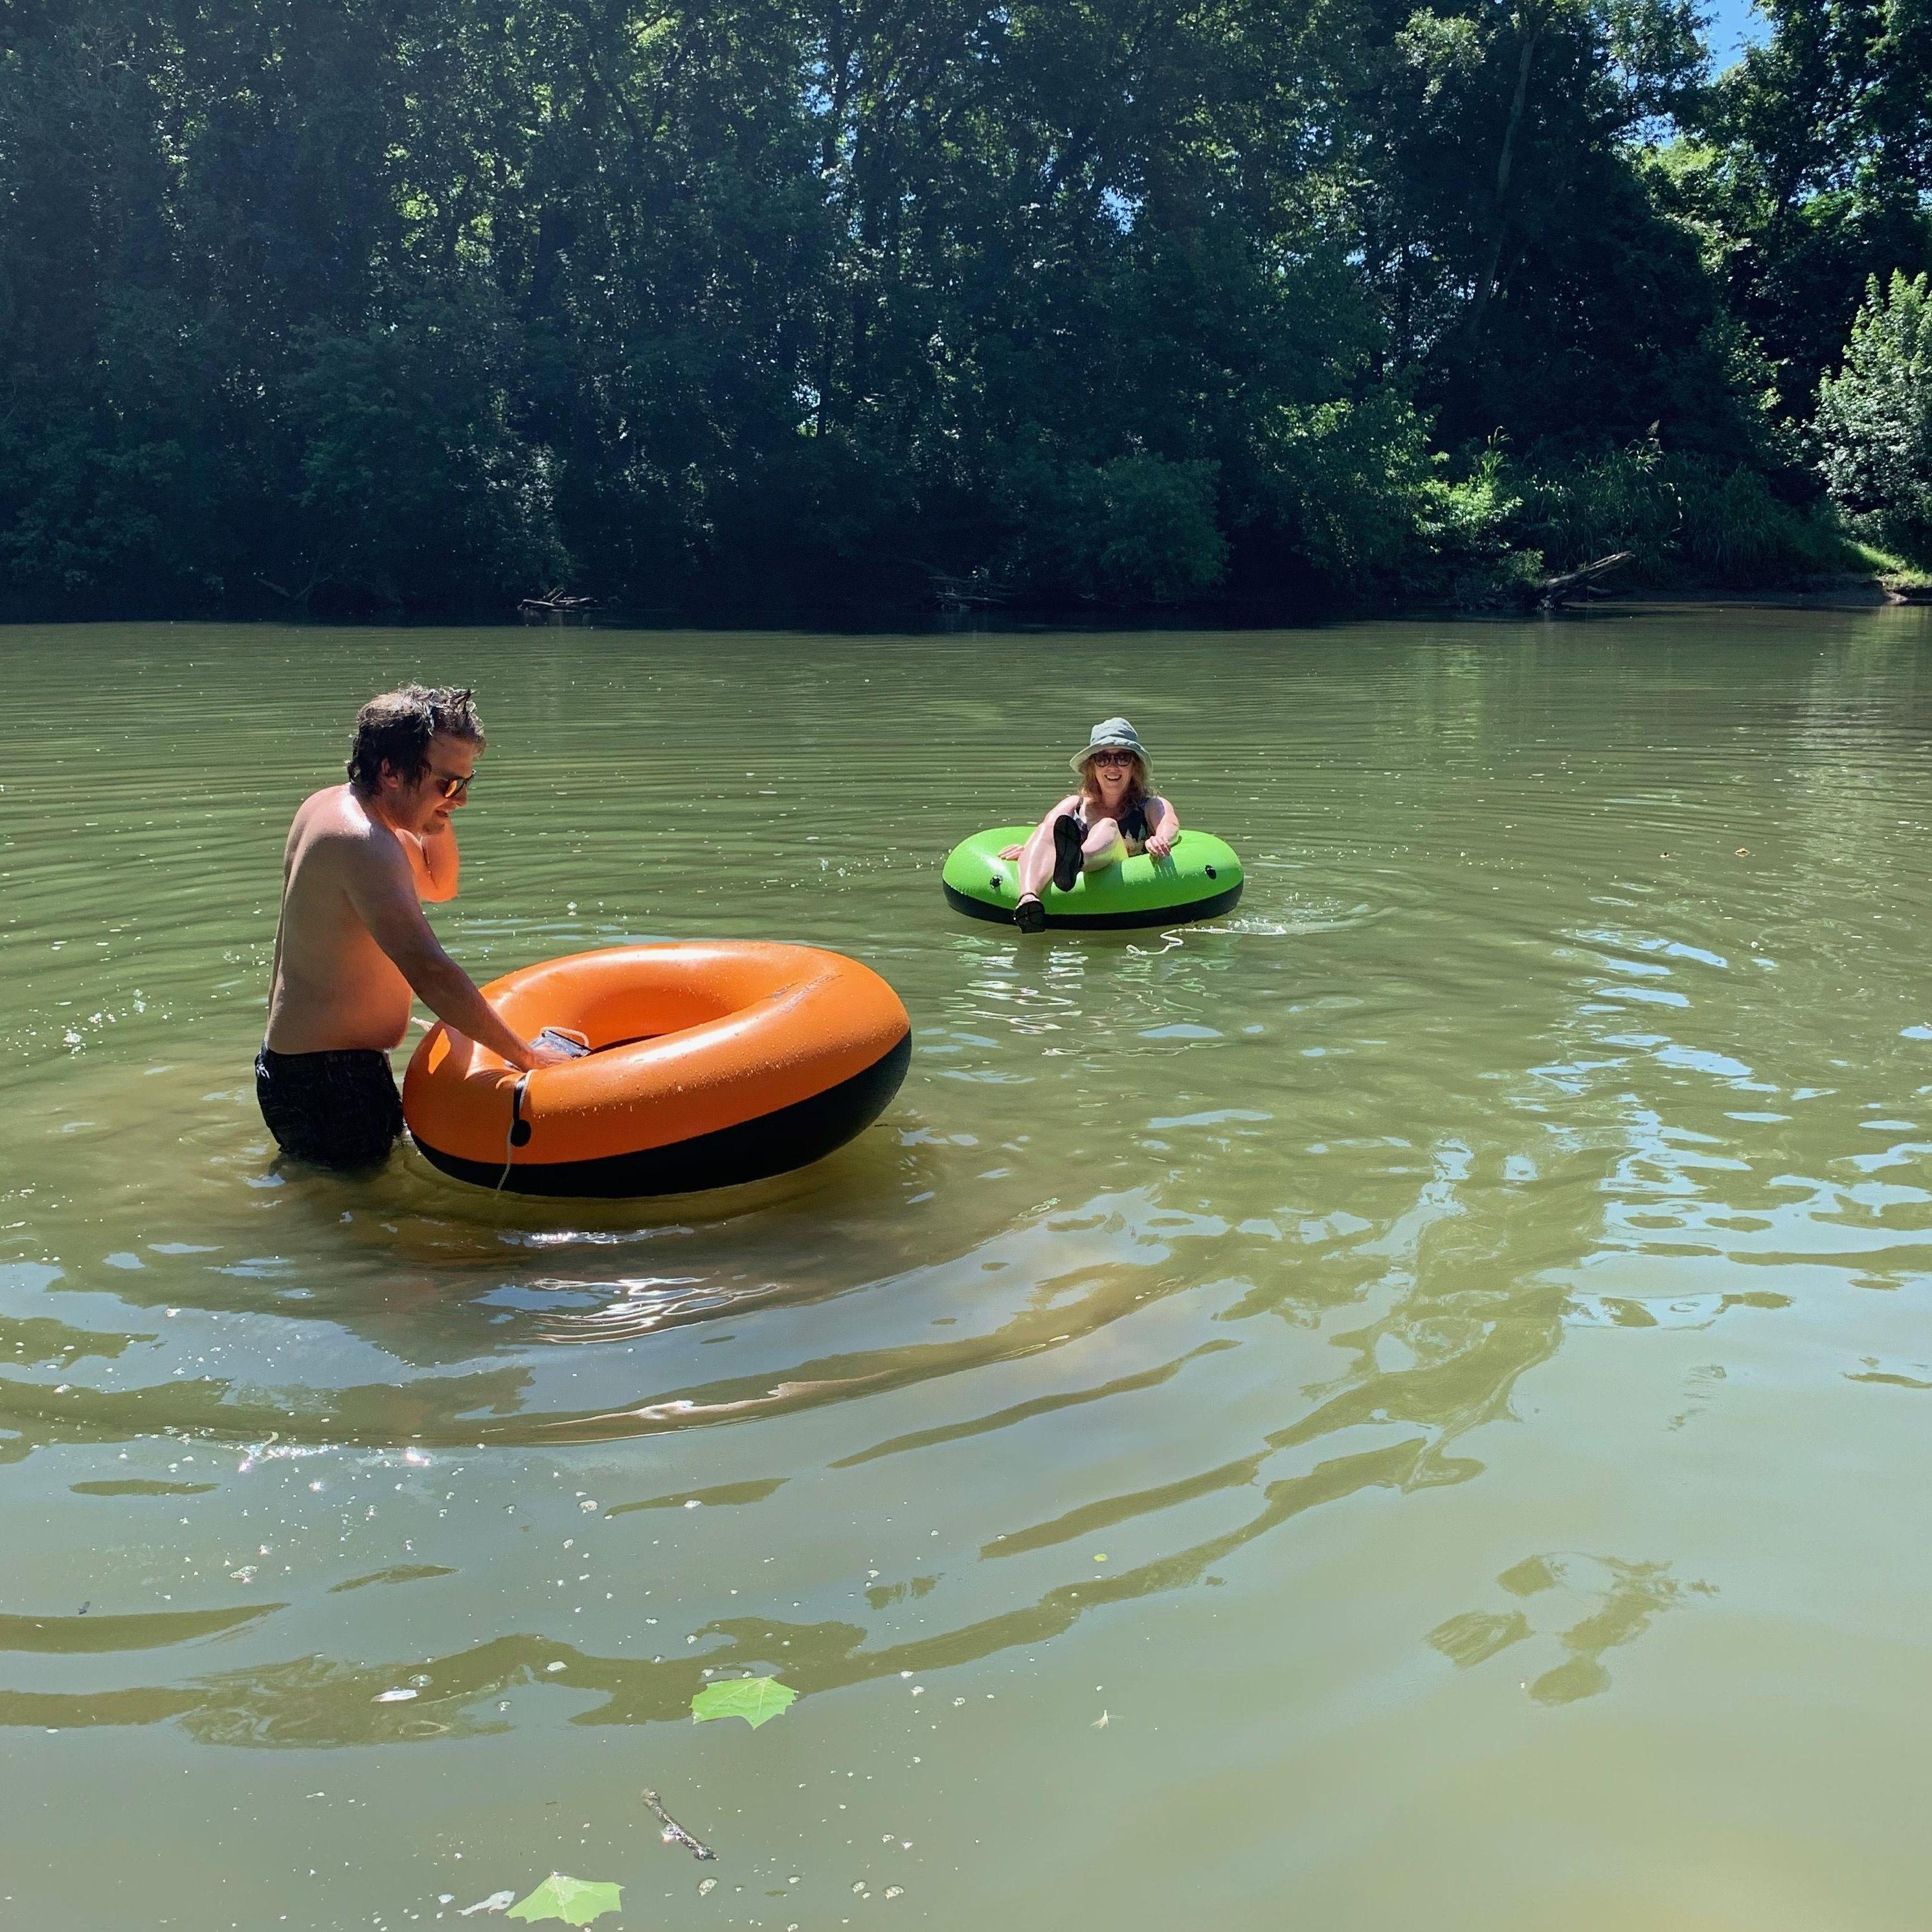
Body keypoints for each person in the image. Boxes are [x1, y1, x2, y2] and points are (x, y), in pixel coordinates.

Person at [257, 684, 572, 1171]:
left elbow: (440, 885)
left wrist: (436, 809)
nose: (462, 800)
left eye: (467, 783)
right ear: (390, 772)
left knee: (335, 1199)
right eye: (448, 784)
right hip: (328, 1081)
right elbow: (429, 970)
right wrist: (526, 1057)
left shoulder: (341, 809)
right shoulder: (363, 842)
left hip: (313, 1068)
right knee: (362, 1232)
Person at [1004, 717, 1178, 932]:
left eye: (1122, 758)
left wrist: (1161, 838)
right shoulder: (1074, 805)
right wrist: (1029, 850)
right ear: (1092, 767)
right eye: (1103, 759)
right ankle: (1029, 900)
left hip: (1121, 876)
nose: (1113, 767)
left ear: (1134, 767)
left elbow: (1169, 824)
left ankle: (1077, 859)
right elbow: (1045, 831)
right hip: (1073, 886)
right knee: (1050, 827)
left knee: (1107, 826)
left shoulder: (1150, 805)